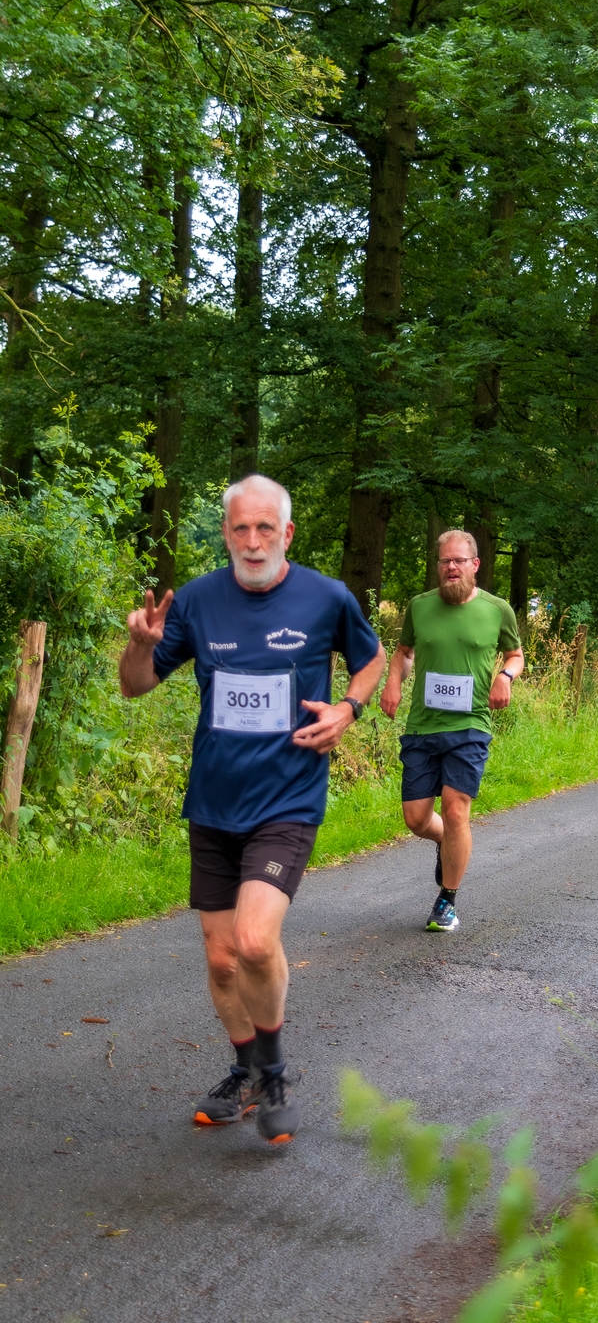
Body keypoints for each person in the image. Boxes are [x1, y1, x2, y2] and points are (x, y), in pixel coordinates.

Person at [119, 475, 385, 1142]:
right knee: (220, 960)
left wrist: (348, 710)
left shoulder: (327, 597)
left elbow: (372, 660)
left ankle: (275, 1071)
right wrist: (142, 645)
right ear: (226, 533)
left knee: (254, 941)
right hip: (214, 801)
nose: (253, 540)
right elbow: (134, 686)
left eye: (266, 527)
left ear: (287, 533)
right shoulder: (198, 600)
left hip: (288, 798)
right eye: (241, 527)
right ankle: (245, 1072)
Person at [379, 530, 524, 932]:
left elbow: (515, 654)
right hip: (423, 726)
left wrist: (505, 676)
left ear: (475, 565)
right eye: (445, 561)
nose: (451, 568)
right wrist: (393, 682)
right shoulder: (420, 606)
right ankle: (447, 841)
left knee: (455, 807)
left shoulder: (497, 610)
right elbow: (404, 652)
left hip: (471, 724)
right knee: (416, 818)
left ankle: (447, 900)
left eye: (459, 561)